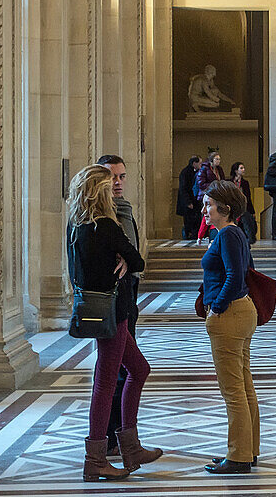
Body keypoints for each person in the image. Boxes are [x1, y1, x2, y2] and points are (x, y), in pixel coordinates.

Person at [66, 165, 160, 481]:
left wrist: (118, 259)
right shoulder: (107, 226)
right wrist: (123, 259)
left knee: (139, 369)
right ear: (101, 193)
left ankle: (130, 447)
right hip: (114, 313)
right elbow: (138, 262)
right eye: (109, 186)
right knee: (105, 383)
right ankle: (95, 460)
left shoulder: (77, 226)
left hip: (95, 309)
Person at [200, 180, 260, 474]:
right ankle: (248, 450)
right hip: (242, 312)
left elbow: (235, 277)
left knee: (233, 389)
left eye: (209, 205)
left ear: (224, 208)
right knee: (244, 385)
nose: (205, 210)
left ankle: (238, 456)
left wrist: (217, 307)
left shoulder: (227, 235)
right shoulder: (230, 234)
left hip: (231, 314)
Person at [97, 154, 144, 458]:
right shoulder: (101, 217)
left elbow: (135, 256)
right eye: (111, 176)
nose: (117, 182)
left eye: (122, 176)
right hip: (113, 300)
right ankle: (112, 439)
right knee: (118, 372)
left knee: (126, 370)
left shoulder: (123, 209)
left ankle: (118, 439)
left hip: (128, 296)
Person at [195, 151, 225, 243]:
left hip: (217, 195)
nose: (218, 161)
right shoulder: (204, 169)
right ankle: (202, 235)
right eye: (216, 159)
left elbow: (222, 180)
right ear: (211, 160)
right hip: (206, 195)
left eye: (219, 159)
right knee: (206, 216)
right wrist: (214, 186)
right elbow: (201, 183)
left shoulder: (219, 169)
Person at [230, 162, 257, 244]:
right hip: (232, 207)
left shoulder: (245, 183)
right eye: (241, 168)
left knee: (247, 219)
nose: (243, 170)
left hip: (243, 207)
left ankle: (250, 238)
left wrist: (252, 211)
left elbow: (248, 198)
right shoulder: (230, 182)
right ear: (236, 171)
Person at [176, 156, 202, 239]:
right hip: (188, 202)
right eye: (200, 163)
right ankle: (188, 236)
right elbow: (183, 189)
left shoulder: (197, 172)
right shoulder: (185, 173)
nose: (201, 165)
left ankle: (194, 236)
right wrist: (188, 202)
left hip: (195, 201)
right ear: (194, 163)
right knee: (188, 222)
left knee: (196, 221)